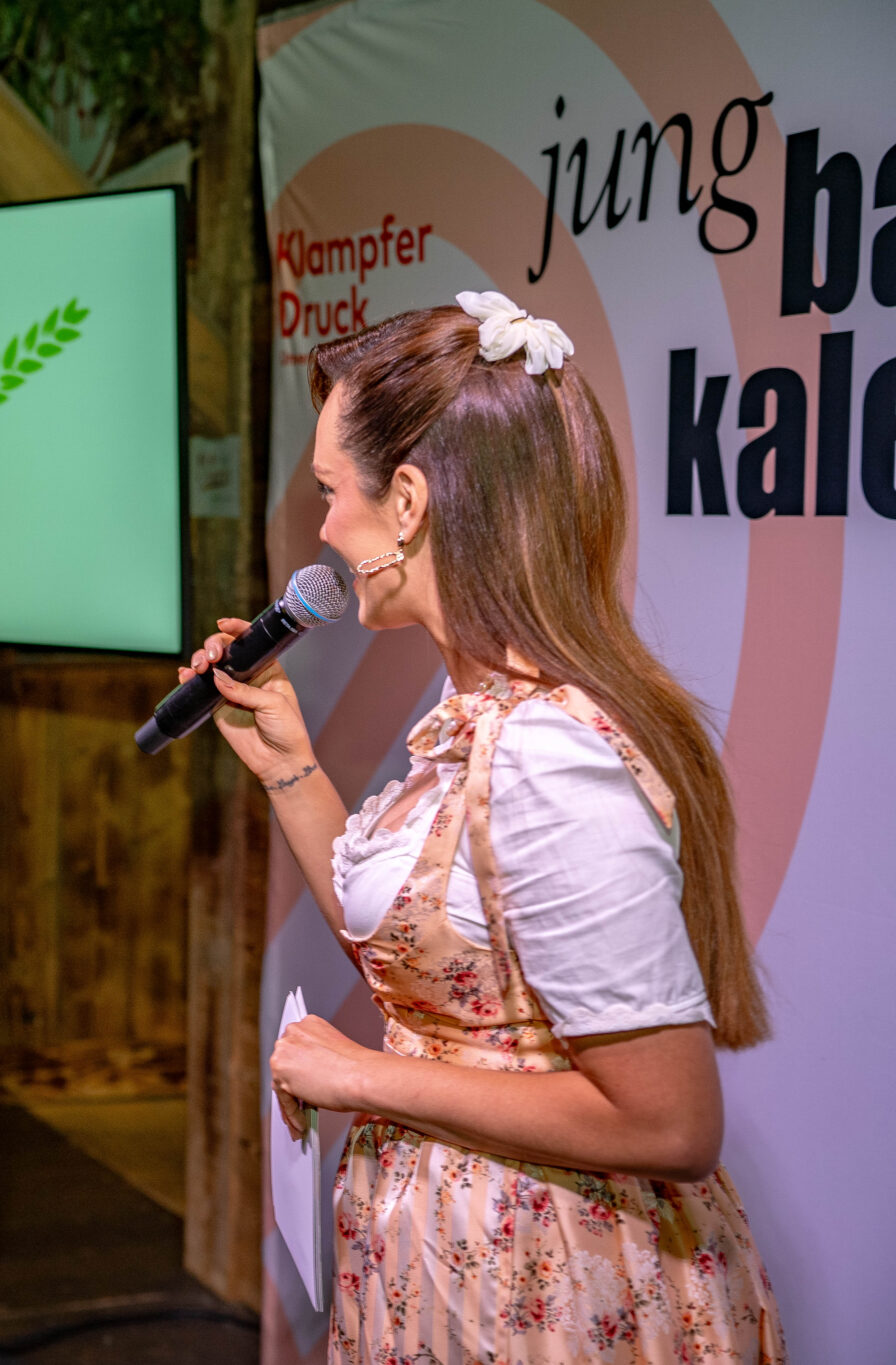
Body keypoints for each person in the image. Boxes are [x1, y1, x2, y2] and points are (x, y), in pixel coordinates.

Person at [183, 293, 785, 1361]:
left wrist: (360, 1078)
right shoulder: (482, 711)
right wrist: (289, 768)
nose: (322, 529)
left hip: (547, 1282)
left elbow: (670, 1124)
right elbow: (439, 977)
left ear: (407, 502)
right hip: (452, 1250)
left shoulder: (549, 755)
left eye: (331, 490)